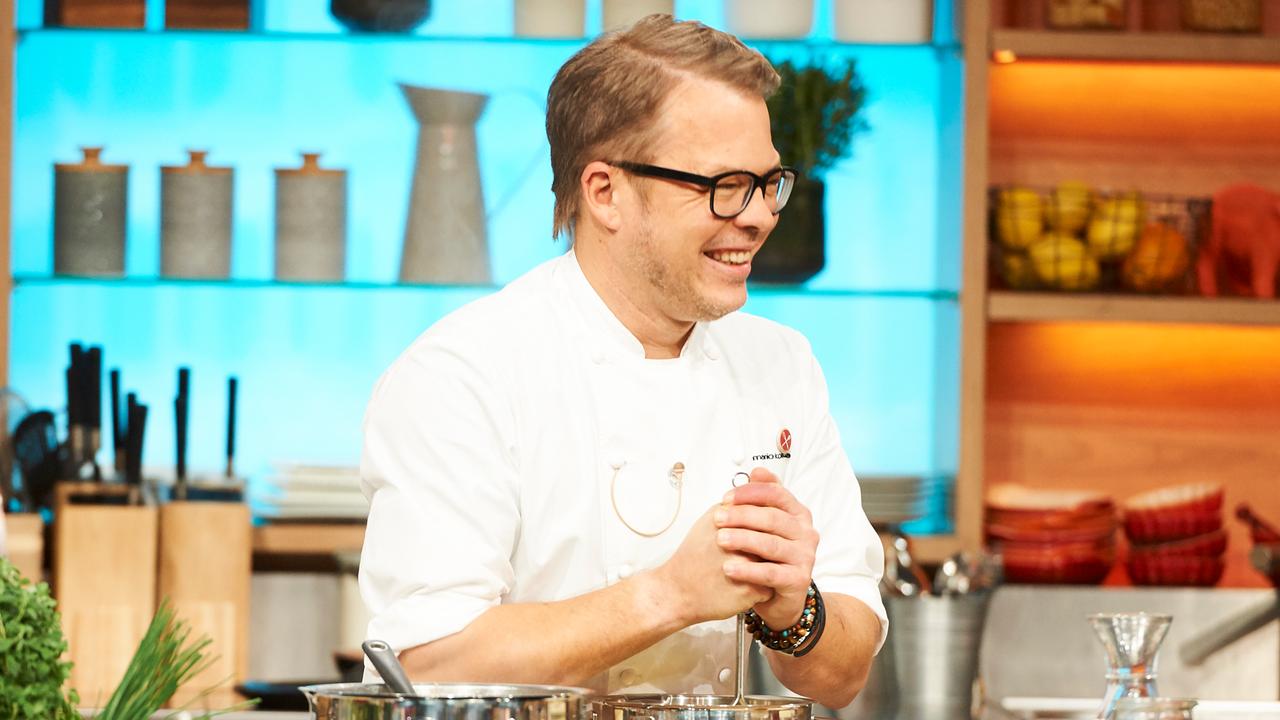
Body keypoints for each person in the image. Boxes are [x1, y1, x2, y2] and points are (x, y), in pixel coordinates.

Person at [358, 14, 885, 708]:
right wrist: (669, 595)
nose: (760, 215)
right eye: (725, 184)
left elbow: (844, 675)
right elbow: (429, 668)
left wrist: (795, 610)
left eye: (767, 182)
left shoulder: (780, 363)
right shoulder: (461, 375)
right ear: (605, 192)